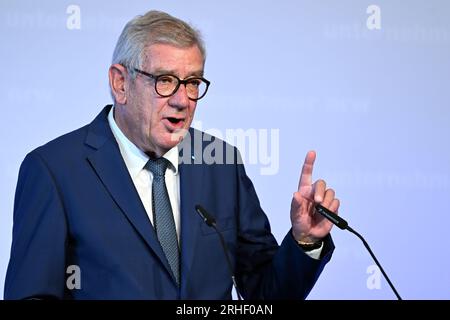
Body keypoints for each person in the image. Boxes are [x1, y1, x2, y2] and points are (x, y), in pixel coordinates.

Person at [4, 10, 340, 300]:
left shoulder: (221, 163)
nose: (182, 100)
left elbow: (264, 294)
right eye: (165, 80)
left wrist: (304, 240)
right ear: (120, 83)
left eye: (192, 82)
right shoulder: (54, 170)